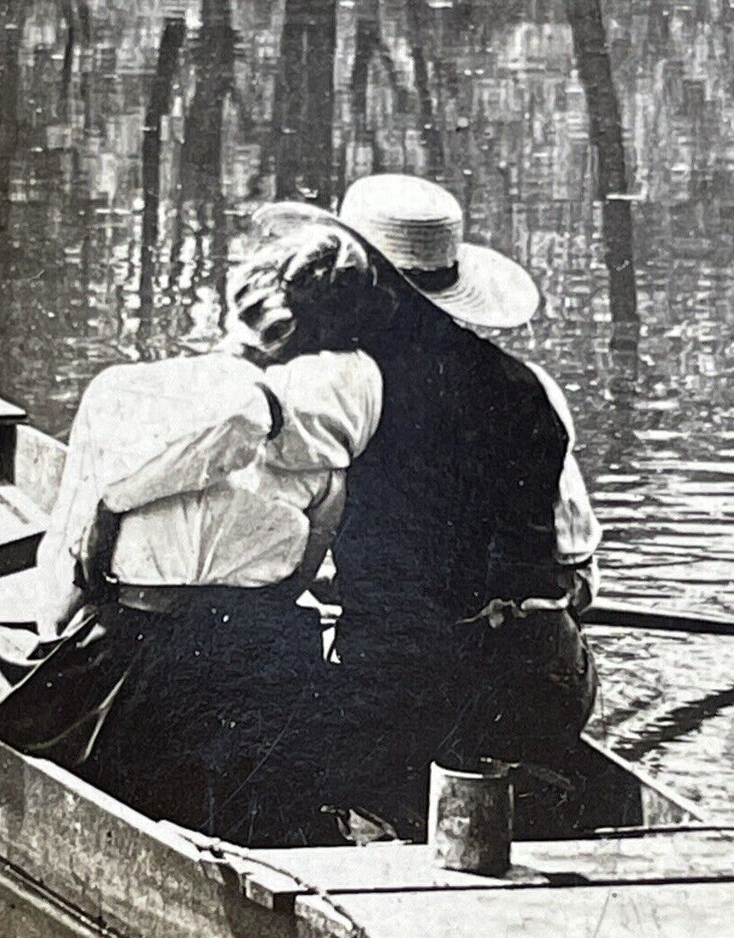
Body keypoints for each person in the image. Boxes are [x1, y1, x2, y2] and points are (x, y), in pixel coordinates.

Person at [229, 175, 602, 833]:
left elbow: (251, 553)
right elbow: (577, 573)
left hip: (402, 695)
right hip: (544, 686)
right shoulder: (530, 386)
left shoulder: (334, 380)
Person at [0, 340, 382, 845]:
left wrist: (63, 628)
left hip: (139, 664)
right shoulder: (330, 478)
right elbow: (293, 585)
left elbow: (81, 567)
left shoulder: (153, 411)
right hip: (256, 674)